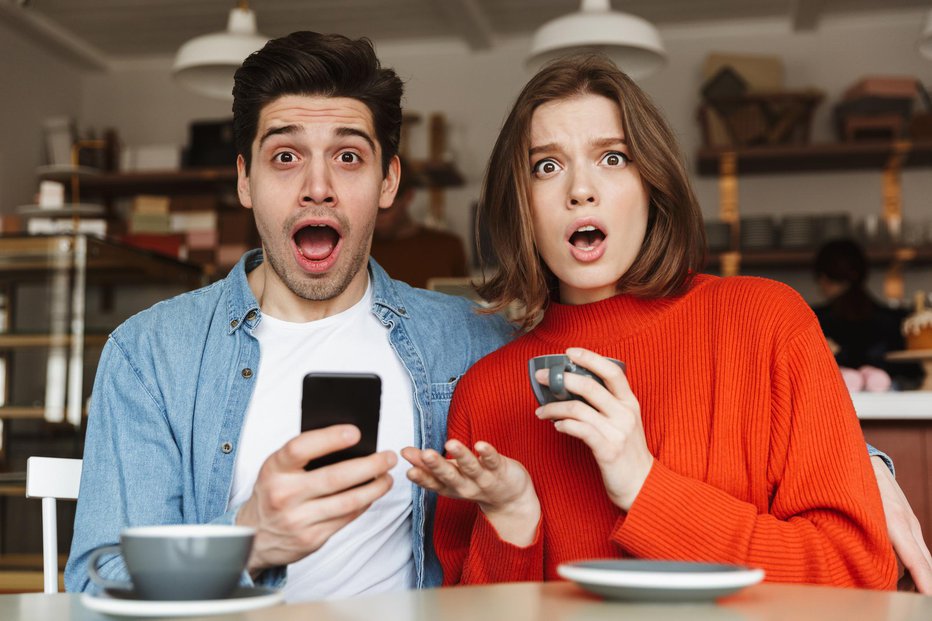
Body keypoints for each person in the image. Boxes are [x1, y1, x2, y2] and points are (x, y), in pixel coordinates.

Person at [402, 54, 902, 589]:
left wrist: (645, 486)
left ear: (651, 182)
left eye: (612, 158)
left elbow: (855, 575)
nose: (579, 189)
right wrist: (513, 519)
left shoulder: (766, 322)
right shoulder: (488, 392)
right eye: (546, 166)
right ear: (519, 203)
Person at [65, 31, 512, 601]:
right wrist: (252, 538)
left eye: (348, 156)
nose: (317, 188)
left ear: (389, 181)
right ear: (245, 181)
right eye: (285, 156)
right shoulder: (149, 355)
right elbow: (97, 584)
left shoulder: (477, 342)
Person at [812, 238, 924, 391]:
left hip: (829, 405)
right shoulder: (898, 319)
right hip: (892, 407)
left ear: (823, 278)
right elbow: (913, 374)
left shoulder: (812, 320)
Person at [370, 156, 468, 288]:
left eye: (384, 211)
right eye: (371, 211)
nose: (376, 219)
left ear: (408, 196)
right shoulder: (360, 251)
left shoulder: (447, 247)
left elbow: (466, 303)